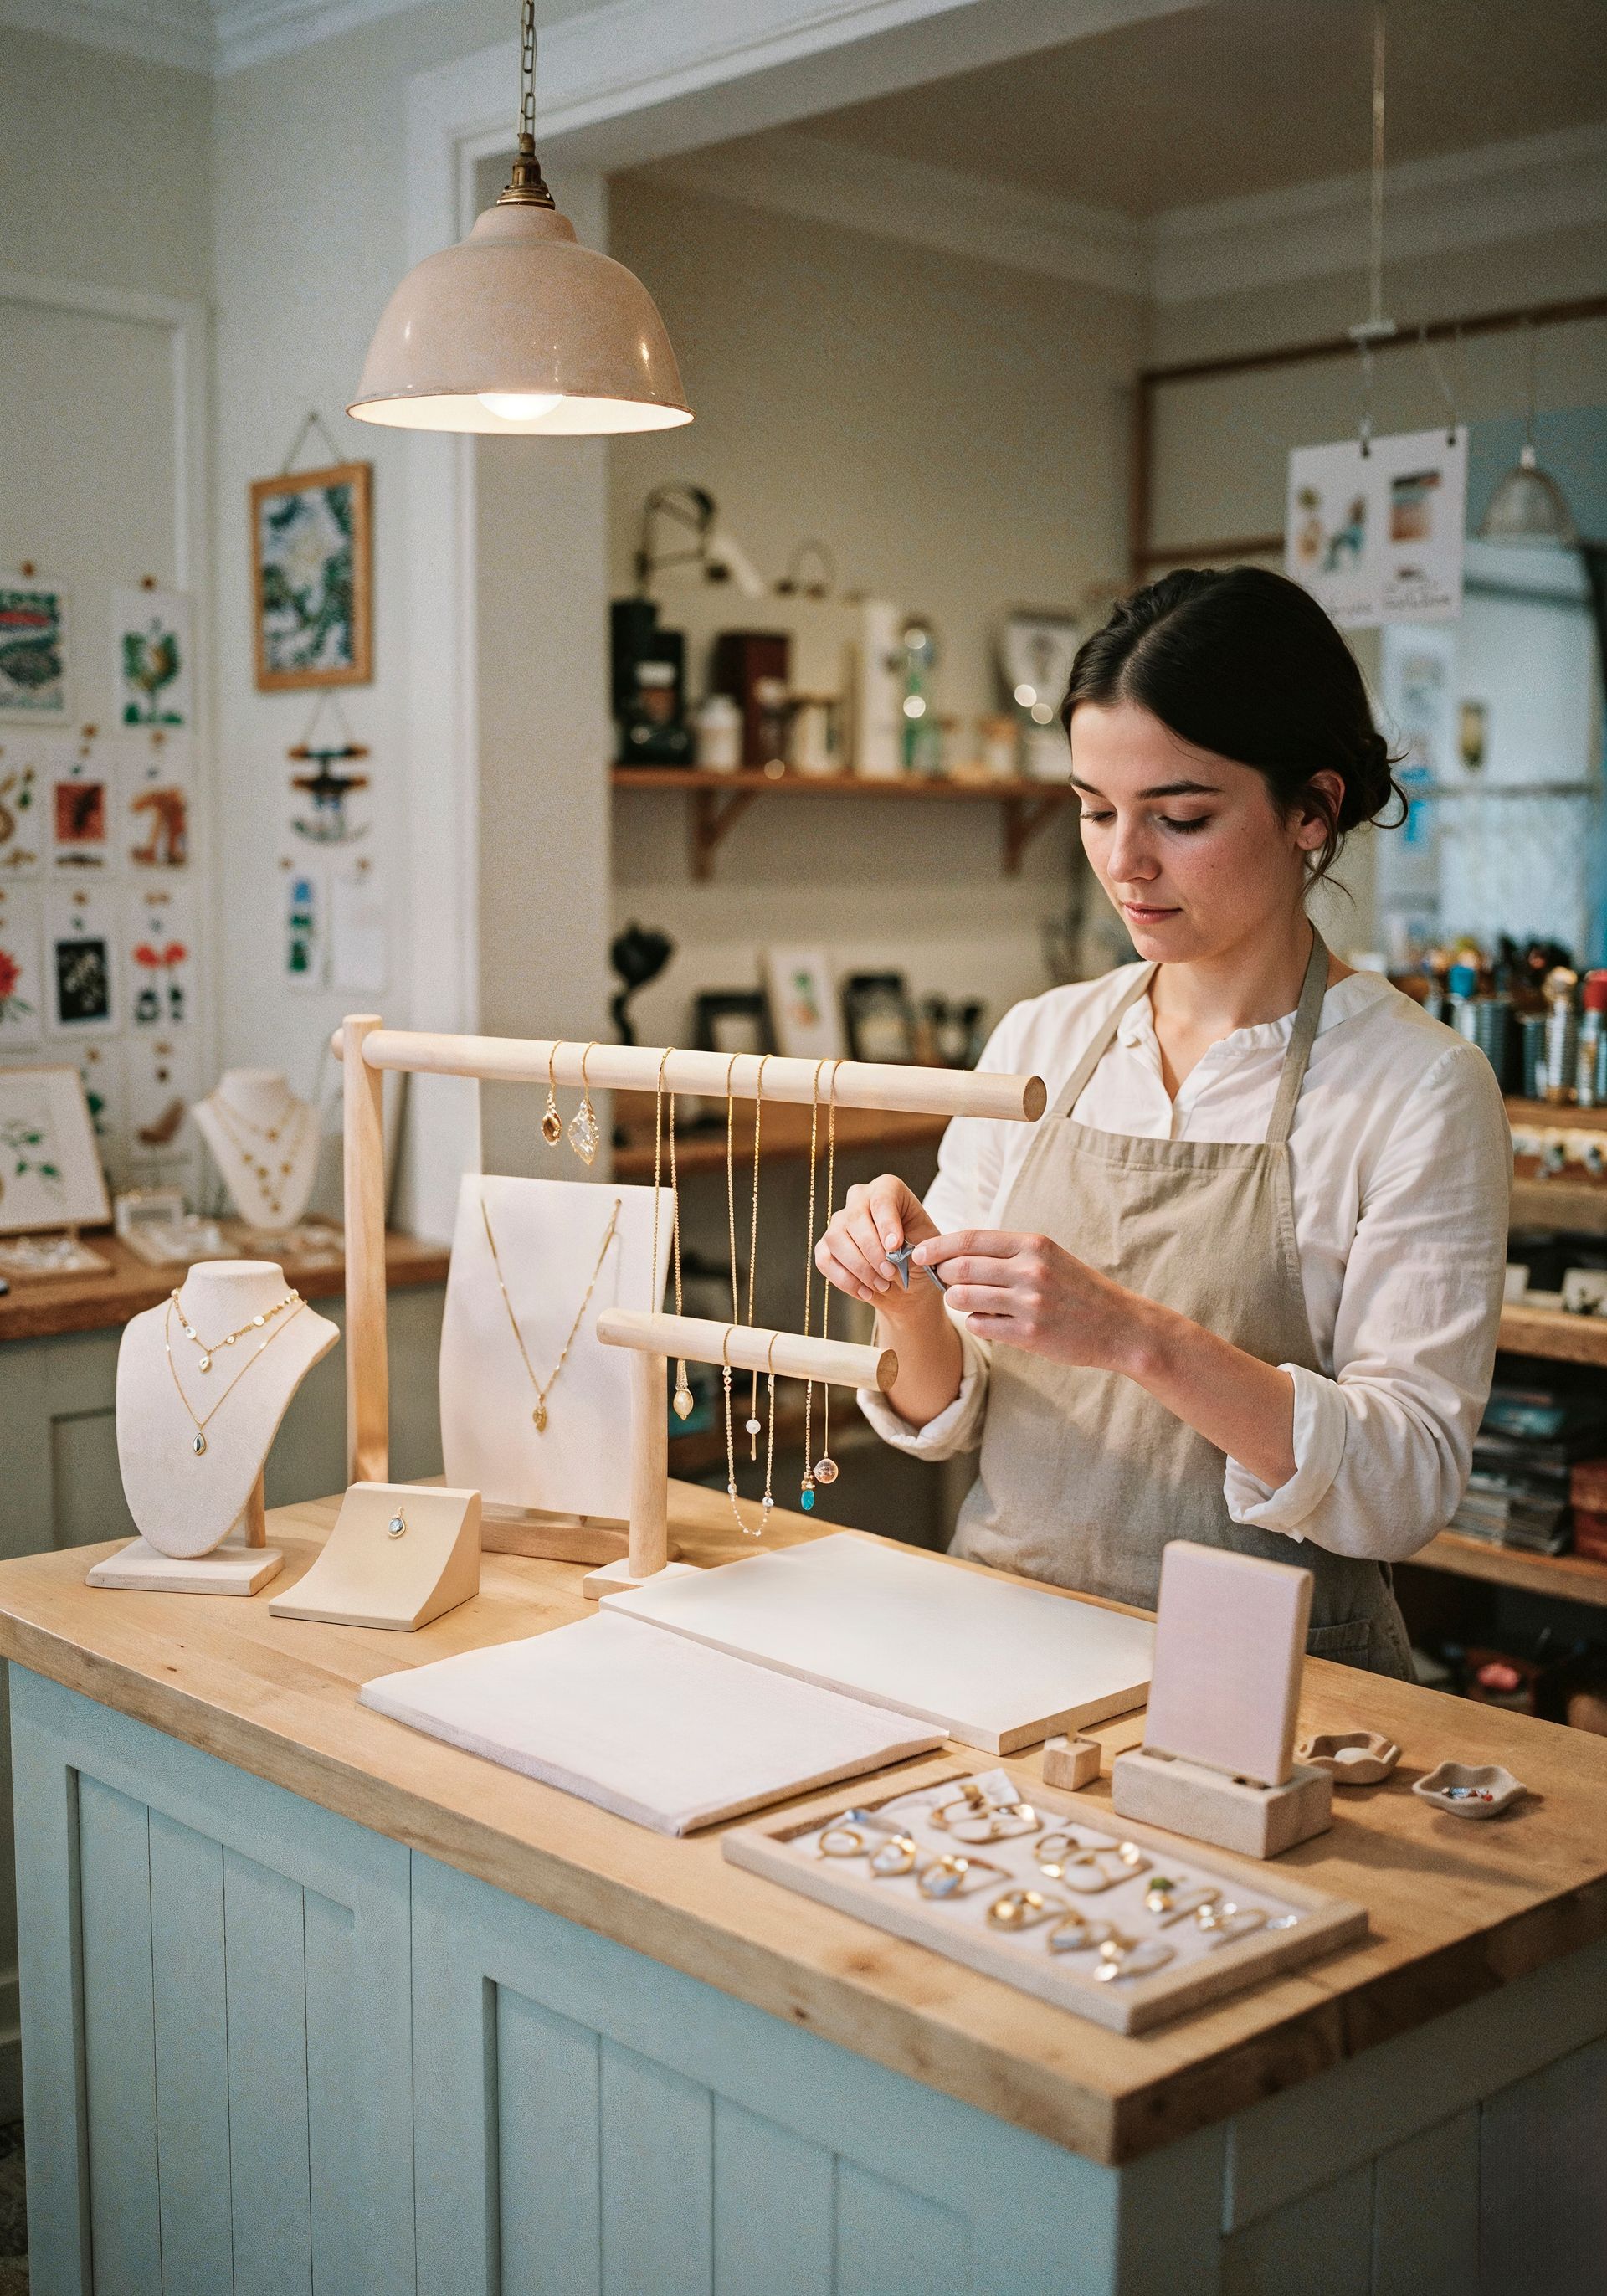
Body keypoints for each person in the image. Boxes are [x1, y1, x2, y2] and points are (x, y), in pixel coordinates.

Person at [820, 567, 1511, 1677]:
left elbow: (1407, 1484)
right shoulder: (1043, 1044)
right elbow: (937, 1403)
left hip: (1272, 1687)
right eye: (1096, 810)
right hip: (1006, 1644)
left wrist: (1137, 1338)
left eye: (1179, 818)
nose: (1124, 863)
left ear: (1312, 810)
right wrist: (906, 1307)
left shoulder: (1417, 1088)